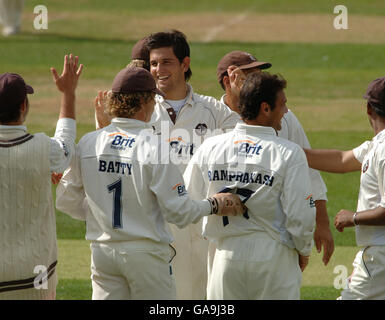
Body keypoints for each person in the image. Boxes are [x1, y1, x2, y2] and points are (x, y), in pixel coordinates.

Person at [55, 66, 245, 300]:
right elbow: (179, 212)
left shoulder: (89, 142)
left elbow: (66, 201)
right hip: (146, 255)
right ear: (144, 102)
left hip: (103, 251)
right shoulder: (155, 147)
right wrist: (214, 204)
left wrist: (101, 212)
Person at [184, 72, 316, 299]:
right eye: (282, 105)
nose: (285, 112)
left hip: (225, 256)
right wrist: (303, 250)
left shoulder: (210, 147)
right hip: (274, 255)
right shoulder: (288, 152)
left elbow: (188, 201)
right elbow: (300, 215)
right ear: (265, 108)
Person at [216, 50, 334, 266]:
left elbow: (308, 168)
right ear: (228, 81)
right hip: (222, 241)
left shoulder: (284, 115)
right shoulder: (212, 117)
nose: (259, 81)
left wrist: (322, 221)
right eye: (250, 76)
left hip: (276, 237)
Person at [0, 54, 83, 299]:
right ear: (23, 106)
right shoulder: (44, 149)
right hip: (35, 277)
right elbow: (66, 141)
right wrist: (68, 93)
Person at [304, 77, 385, 300]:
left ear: (368, 108)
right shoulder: (375, 146)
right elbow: (341, 160)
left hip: (380, 255)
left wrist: (353, 218)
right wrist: (288, 150)